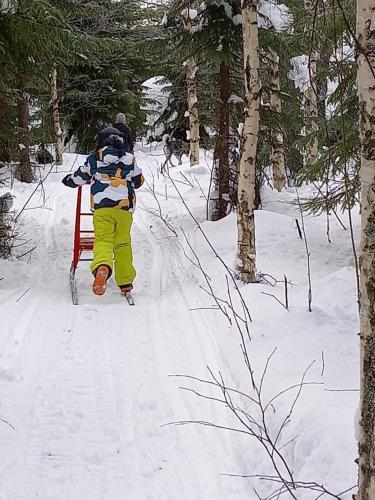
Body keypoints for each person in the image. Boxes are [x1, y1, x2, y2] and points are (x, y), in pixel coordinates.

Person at [62, 127, 144, 296]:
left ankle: (102, 267)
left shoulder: (94, 159)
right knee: (122, 244)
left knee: (104, 240)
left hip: (102, 208)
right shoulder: (129, 159)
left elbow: (80, 177)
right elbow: (138, 181)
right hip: (124, 210)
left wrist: (69, 180)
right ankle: (125, 281)